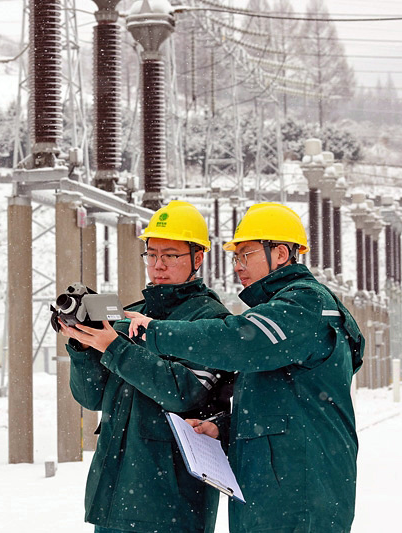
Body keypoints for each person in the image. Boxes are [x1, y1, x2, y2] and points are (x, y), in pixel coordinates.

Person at [125, 202, 365, 533]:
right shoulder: (281, 314)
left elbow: (238, 340)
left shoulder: (304, 304)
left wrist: (155, 332)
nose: (238, 266)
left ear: (280, 253)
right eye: (235, 257)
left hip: (301, 493)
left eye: (246, 254)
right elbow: (280, 402)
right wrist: (224, 427)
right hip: (273, 492)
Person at [59, 200, 235, 533]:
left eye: (170, 255)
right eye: (152, 254)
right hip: (113, 495)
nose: (158, 265)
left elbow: (182, 392)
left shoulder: (210, 321)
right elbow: (91, 397)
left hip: (170, 502)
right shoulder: (130, 314)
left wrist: (113, 346)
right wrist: (84, 346)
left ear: (198, 258)